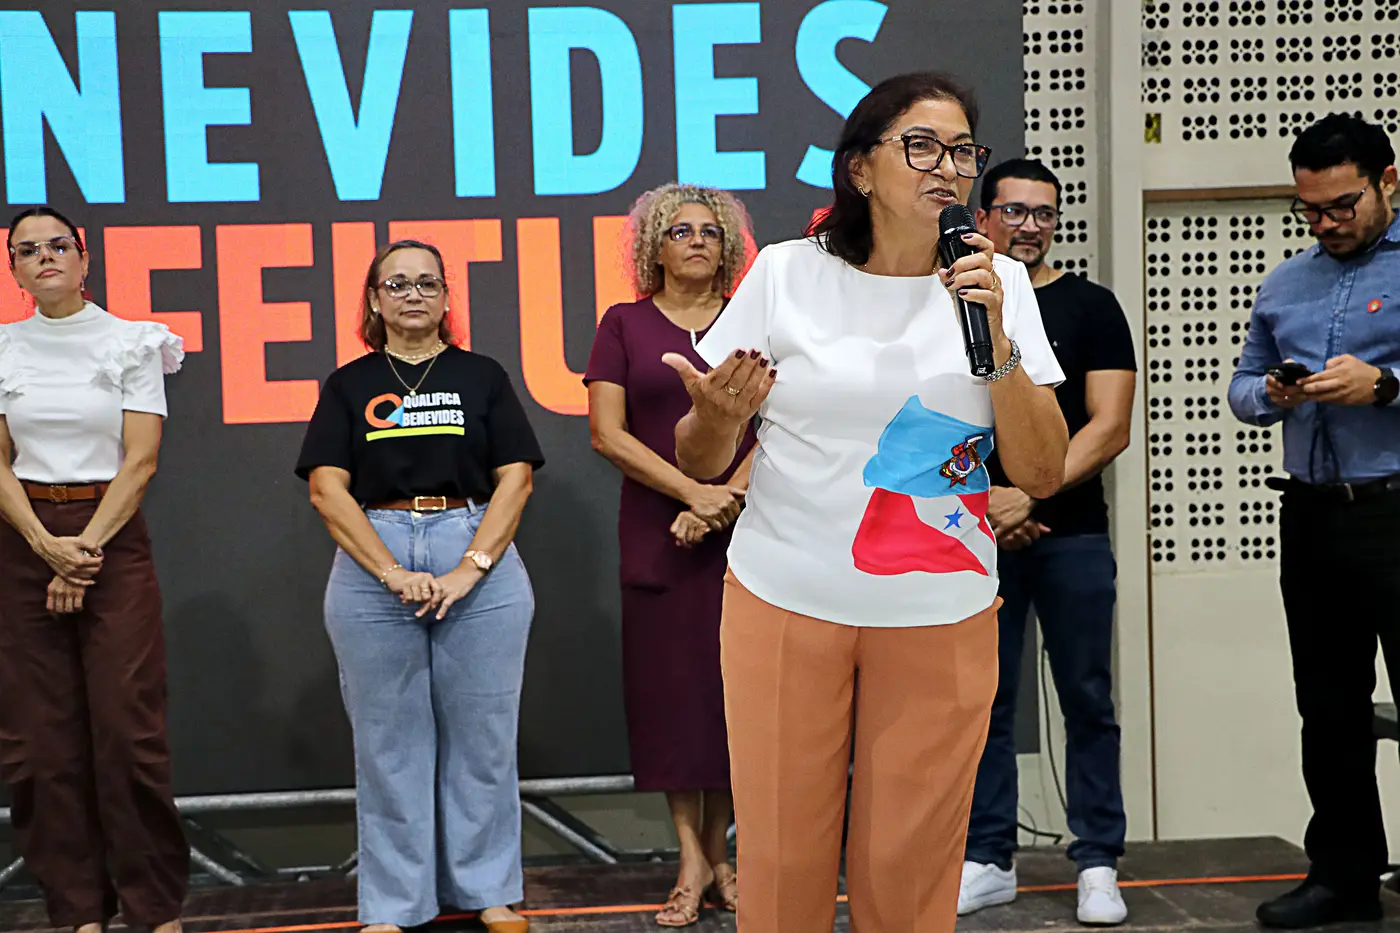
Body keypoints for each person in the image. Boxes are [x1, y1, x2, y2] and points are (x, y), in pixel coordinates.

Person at [663, 72, 1069, 933]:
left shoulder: (1000, 283)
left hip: (940, 612)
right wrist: (718, 417)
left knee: (910, 867)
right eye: (920, 146)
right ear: (859, 169)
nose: (946, 168)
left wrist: (997, 341)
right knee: (783, 859)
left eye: (962, 151)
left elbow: (1040, 470)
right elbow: (699, 453)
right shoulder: (787, 274)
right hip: (784, 600)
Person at [295, 240, 544, 933]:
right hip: (375, 555)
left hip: (474, 544)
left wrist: (470, 567)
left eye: (427, 283)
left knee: (484, 738)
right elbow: (326, 489)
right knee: (388, 745)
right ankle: (394, 904)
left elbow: (517, 477)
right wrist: (391, 571)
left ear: (445, 297)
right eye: (397, 284)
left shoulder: (482, 376)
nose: (413, 294)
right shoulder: (348, 385)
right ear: (374, 300)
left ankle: (489, 890)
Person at [1228, 113, 1400, 930]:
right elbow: (1242, 387)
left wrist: (1386, 386)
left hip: (1396, 506)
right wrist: (1274, 393)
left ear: (1387, 181)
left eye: (1342, 205)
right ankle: (1344, 875)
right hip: (1313, 515)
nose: (1326, 223)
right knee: (1328, 705)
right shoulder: (1285, 283)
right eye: (1310, 209)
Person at [956, 158, 1138, 925]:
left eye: (1043, 213)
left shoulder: (1092, 305)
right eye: (1014, 211)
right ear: (982, 217)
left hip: (1073, 533)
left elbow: (1110, 424)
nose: (1029, 226)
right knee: (982, 703)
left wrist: (1033, 491)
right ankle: (988, 856)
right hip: (972, 533)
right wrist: (989, 502)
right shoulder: (955, 301)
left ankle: (1097, 861)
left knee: (1087, 697)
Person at [0, 207, 189, 933]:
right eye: (27, 250)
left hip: (108, 536)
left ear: (84, 258)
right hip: (24, 540)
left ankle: (153, 908)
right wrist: (42, 543)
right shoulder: (5, 348)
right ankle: (78, 910)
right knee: (40, 745)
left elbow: (140, 461)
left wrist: (79, 553)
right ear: (15, 270)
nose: (44, 257)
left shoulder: (133, 341)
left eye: (58, 245)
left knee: (127, 734)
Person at [584, 182, 758, 927]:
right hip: (658, 532)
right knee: (672, 702)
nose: (696, 241)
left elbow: (783, 428)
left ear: (729, 248)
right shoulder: (623, 323)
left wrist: (724, 500)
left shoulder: (751, 323)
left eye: (710, 231)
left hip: (750, 533)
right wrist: (692, 493)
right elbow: (607, 433)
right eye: (680, 230)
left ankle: (723, 855)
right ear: (653, 247)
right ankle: (692, 856)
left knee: (736, 702)